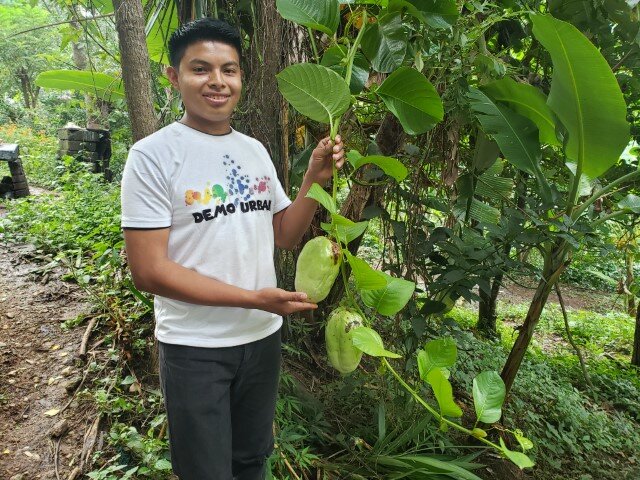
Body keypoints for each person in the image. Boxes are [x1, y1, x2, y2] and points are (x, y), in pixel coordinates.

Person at [120, 17, 344, 480]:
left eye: (230, 69)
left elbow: (283, 233)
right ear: (173, 76)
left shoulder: (253, 150)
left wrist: (312, 178)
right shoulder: (152, 155)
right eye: (200, 69)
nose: (217, 82)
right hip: (195, 347)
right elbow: (148, 271)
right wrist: (253, 298)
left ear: (242, 77)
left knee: (250, 461)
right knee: (205, 471)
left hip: (261, 340)